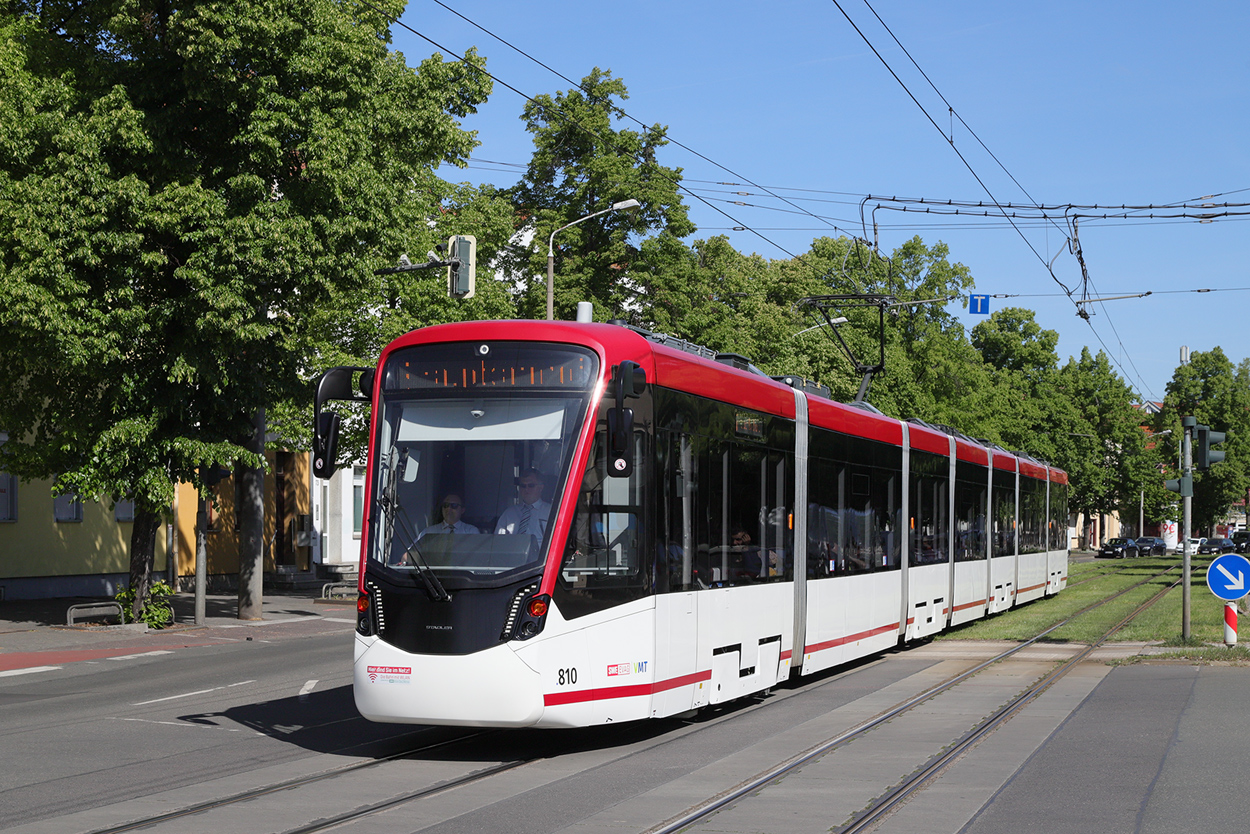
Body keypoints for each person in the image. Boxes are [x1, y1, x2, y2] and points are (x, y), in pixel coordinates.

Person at [496, 469, 551, 540]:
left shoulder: (551, 512)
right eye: (523, 486)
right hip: (513, 550)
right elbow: (498, 541)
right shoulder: (509, 513)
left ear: (540, 488)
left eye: (531, 485)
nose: (526, 489)